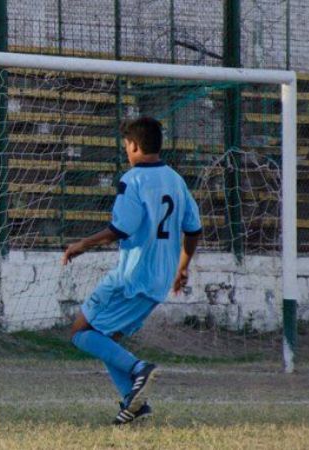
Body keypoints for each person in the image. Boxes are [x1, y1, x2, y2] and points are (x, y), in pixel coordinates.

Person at [62, 117, 201, 425]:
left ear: (135, 146)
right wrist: (182, 267)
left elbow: (120, 229)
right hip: (160, 278)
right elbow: (194, 229)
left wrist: (82, 244)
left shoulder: (133, 179)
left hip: (130, 276)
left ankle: (139, 369)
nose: (126, 151)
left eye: (126, 146)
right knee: (107, 336)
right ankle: (134, 402)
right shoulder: (176, 180)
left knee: (80, 332)